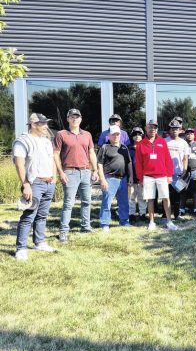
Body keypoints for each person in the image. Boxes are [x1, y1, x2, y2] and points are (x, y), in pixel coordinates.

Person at [12, 113, 57, 260]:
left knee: (42, 215)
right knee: (28, 216)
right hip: (34, 183)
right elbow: (19, 164)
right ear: (33, 124)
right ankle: (21, 248)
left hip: (48, 182)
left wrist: (54, 179)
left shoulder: (46, 141)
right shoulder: (23, 141)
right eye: (43, 124)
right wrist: (26, 184)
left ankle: (39, 242)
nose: (46, 126)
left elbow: (52, 161)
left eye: (46, 123)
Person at [53, 108, 99, 242]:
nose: (75, 119)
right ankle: (63, 230)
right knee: (68, 203)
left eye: (77, 117)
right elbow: (55, 154)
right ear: (68, 119)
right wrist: (60, 172)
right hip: (69, 172)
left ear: (81, 119)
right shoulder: (61, 134)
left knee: (86, 201)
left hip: (85, 171)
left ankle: (85, 226)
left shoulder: (87, 135)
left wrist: (95, 170)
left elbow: (91, 153)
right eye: (72, 117)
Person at [135, 119, 178, 231]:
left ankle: (169, 221)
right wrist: (140, 178)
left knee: (166, 198)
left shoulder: (162, 141)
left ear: (157, 129)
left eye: (154, 127)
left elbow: (168, 159)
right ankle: (152, 222)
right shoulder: (140, 144)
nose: (152, 129)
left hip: (162, 175)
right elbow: (138, 163)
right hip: (148, 176)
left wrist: (169, 175)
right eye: (150, 127)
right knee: (150, 199)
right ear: (146, 128)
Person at [97, 125, 133, 231]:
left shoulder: (124, 147)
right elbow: (99, 164)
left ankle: (124, 222)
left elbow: (129, 163)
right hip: (109, 178)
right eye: (113, 134)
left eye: (117, 134)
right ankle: (104, 224)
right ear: (109, 136)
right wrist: (102, 179)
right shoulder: (105, 147)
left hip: (123, 179)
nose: (116, 136)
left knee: (124, 202)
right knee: (107, 202)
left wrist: (130, 176)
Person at [165, 119, 190, 220]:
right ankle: (165, 215)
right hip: (167, 174)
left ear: (180, 130)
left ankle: (176, 214)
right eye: (173, 129)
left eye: (177, 129)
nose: (175, 131)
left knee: (178, 195)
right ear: (169, 130)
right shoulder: (165, 141)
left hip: (179, 173)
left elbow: (185, 158)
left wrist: (184, 169)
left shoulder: (184, 143)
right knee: (166, 195)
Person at [180, 128, 196, 216]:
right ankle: (182, 208)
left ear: (194, 135)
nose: (189, 135)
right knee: (182, 189)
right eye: (187, 134)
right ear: (185, 135)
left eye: (191, 134)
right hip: (184, 170)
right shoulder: (182, 144)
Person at [128, 127, 147, 222]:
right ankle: (131, 214)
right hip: (132, 176)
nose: (137, 136)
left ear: (142, 136)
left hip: (143, 177)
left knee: (142, 196)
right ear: (132, 137)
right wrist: (130, 176)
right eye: (135, 134)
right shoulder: (129, 149)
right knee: (131, 196)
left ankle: (142, 213)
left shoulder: (145, 148)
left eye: (139, 134)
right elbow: (128, 163)